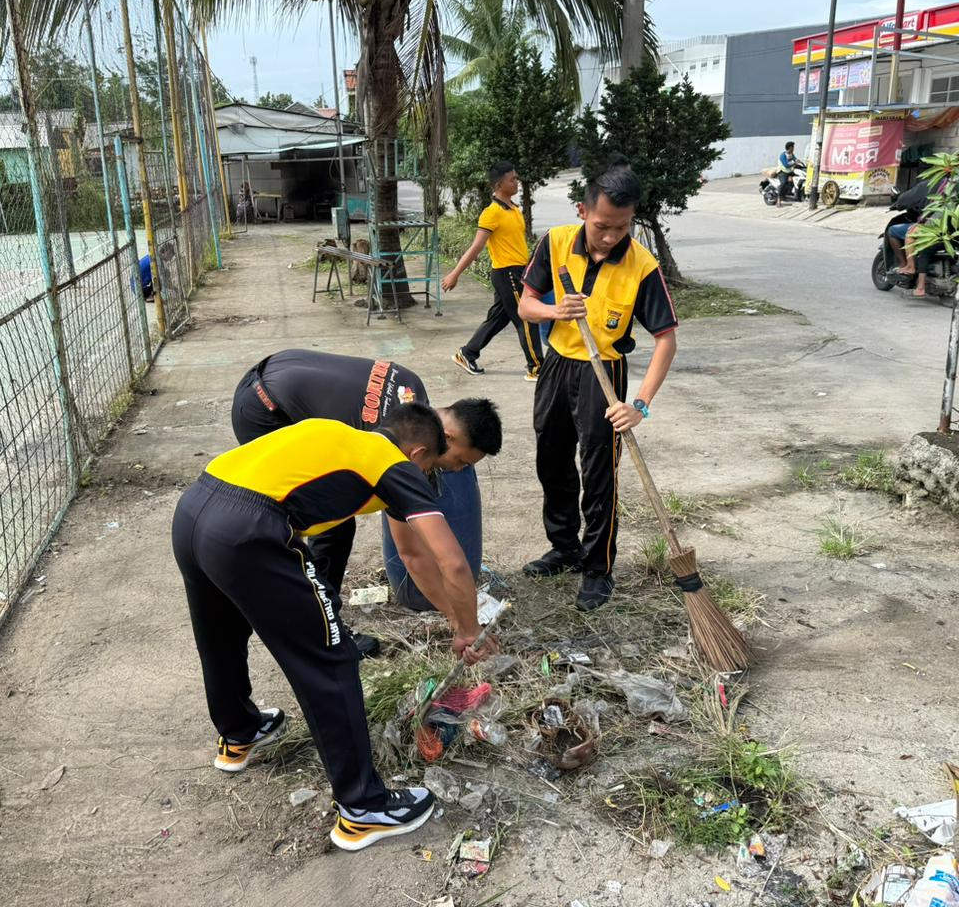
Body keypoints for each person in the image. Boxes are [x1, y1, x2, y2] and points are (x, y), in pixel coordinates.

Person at [172, 404, 493, 851]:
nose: (426, 478)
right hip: (249, 527)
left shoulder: (333, 429)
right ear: (417, 453)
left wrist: (453, 618)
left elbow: (412, 556)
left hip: (194, 507)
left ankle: (240, 732)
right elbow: (452, 561)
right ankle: (364, 808)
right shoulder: (394, 465)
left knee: (219, 633)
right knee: (331, 656)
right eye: (431, 468)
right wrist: (469, 630)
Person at [230, 349, 502, 634]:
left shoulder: (413, 391)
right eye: (460, 461)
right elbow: (411, 552)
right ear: (447, 437)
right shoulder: (396, 447)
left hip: (276, 369)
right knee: (326, 527)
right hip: (266, 409)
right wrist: (457, 617)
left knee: (333, 521)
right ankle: (320, 626)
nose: (457, 470)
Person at [517, 161, 678, 611]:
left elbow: (666, 339)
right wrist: (554, 312)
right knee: (551, 461)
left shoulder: (642, 264)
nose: (611, 237)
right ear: (582, 211)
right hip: (557, 364)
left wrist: (640, 406)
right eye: (603, 226)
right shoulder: (553, 243)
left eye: (622, 227)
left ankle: (597, 568)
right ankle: (564, 548)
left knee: (599, 473)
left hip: (604, 372)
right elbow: (526, 304)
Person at [444, 162, 544, 381]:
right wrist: (455, 274)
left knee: (499, 318)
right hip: (507, 273)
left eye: (516, 178)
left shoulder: (514, 209)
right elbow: (476, 247)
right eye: (512, 180)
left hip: (519, 271)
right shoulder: (491, 213)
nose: (516, 182)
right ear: (499, 184)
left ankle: (467, 353)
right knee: (526, 318)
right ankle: (536, 368)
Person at [776, 142, 798, 208]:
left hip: (790, 171)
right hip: (782, 172)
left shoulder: (791, 154)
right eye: (793, 147)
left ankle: (788, 194)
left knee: (795, 180)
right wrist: (794, 163)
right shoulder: (783, 155)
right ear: (790, 148)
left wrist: (798, 161)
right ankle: (778, 199)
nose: (794, 148)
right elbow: (786, 165)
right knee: (783, 183)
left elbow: (795, 159)